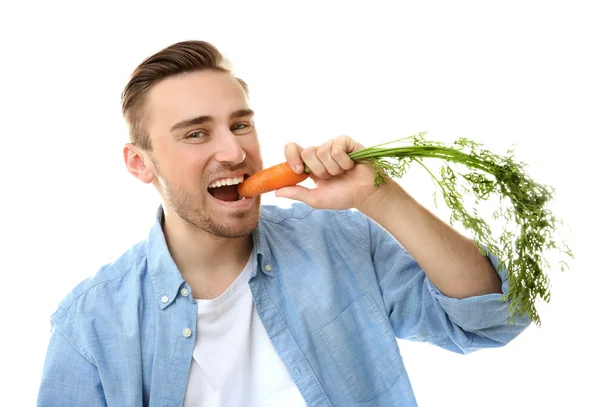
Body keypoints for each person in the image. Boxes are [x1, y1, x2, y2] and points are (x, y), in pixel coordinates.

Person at [36, 40, 531, 407]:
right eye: (195, 133)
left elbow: (493, 320)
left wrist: (381, 197)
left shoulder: (339, 240)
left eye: (240, 124)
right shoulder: (90, 324)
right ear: (140, 163)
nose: (233, 152)